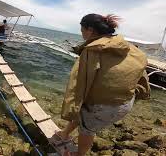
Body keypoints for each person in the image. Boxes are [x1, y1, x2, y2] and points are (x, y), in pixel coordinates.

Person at [57, 14, 151, 156]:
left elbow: (78, 84)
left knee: (87, 128)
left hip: (104, 109)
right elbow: (142, 77)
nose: (81, 33)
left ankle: (79, 154)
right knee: (84, 112)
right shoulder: (133, 49)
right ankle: (65, 133)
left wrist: (70, 107)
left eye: (82, 29)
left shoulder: (93, 50)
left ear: (90, 30)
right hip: (126, 104)